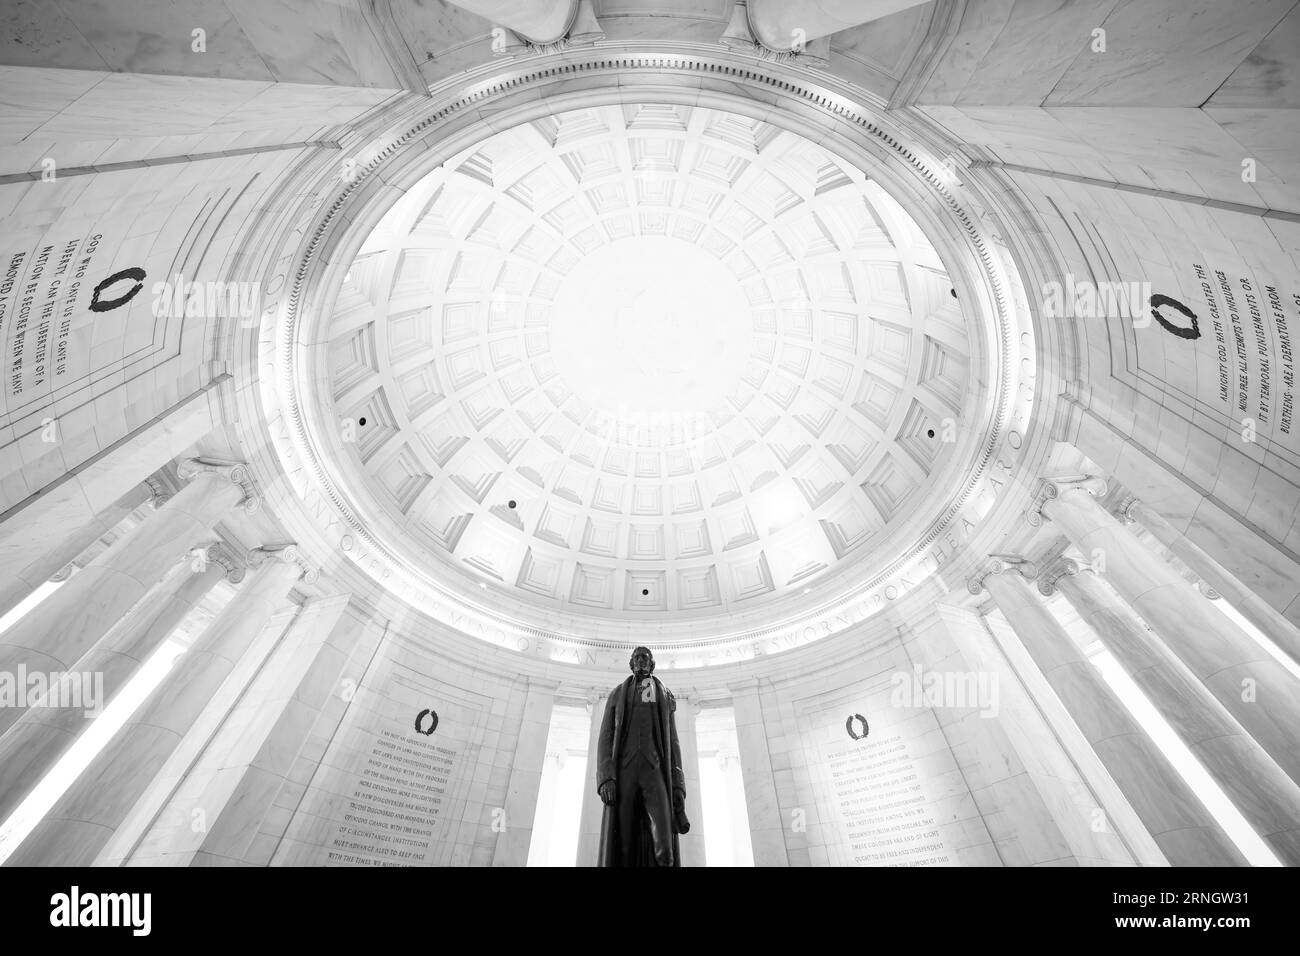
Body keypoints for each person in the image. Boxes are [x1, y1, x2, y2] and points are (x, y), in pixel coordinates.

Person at [595, 646, 690, 866]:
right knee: (623, 848)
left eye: (645, 658)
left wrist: (678, 785)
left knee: (666, 850)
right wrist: (605, 777)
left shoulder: (664, 695)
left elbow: (673, 742)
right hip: (624, 772)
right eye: (636, 658)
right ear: (631, 664)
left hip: (654, 772)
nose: (640, 661)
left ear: (652, 664)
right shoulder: (617, 694)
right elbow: (605, 737)